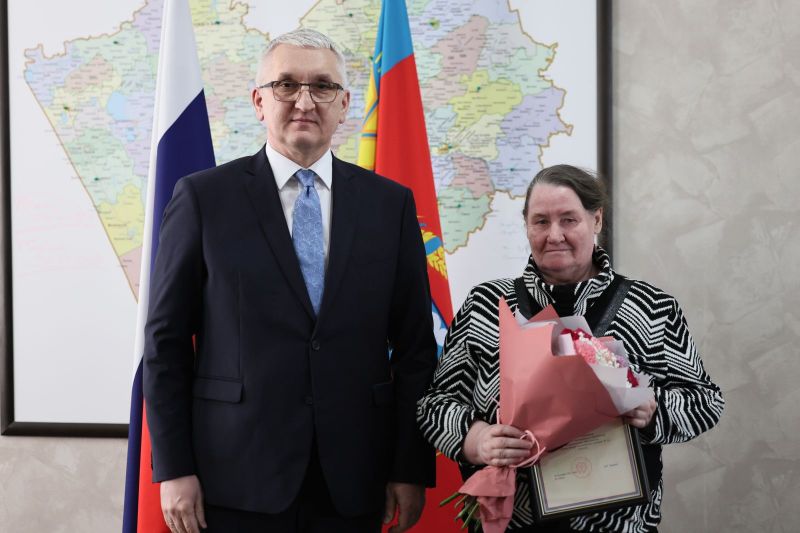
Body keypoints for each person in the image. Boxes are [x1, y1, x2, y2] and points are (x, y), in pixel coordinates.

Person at [143, 29, 437, 533]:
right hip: (232, 478)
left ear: (344, 105)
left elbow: (415, 348)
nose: (304, 101)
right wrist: (173, 468)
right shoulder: (203, 199)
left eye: (322, 86)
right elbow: (165, 343)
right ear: (259, 102)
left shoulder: (390, 205)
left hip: (355, 479)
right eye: (286, 85)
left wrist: (409, 468)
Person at [417, 164, 724, 532]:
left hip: (620, 526)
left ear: (596, 220)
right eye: (541, 221)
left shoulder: (652, 307)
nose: (554, 235)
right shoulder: (486, 305)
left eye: (568, 220)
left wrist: (653, 410)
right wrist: (475, 438)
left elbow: (706, 402)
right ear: (526, 225)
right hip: (512, 524)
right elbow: (433, 405)